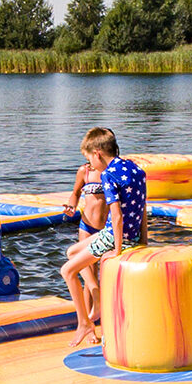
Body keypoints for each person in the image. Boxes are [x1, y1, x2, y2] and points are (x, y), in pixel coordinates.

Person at [59, 128, 146, 347]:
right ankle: (93, 307)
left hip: (112, 235)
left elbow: (116, 217)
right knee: (71, 252)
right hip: (127, 233)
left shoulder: (108, 174)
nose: (90, 164)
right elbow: (143, 207)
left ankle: (84, 323)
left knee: (67, 271)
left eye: (90, 159)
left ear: (97, 153)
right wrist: (143, 240)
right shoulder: (136, 168)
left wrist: (117, 249)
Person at [60, 160, 106, 313]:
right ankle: (89, 318)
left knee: (105, 271)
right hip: (87, 226)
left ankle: (100, 312)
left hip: (107, 228)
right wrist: (71, 206)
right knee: (89, 274)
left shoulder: (112, 170)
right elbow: (76, 193)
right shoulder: (84, 171)